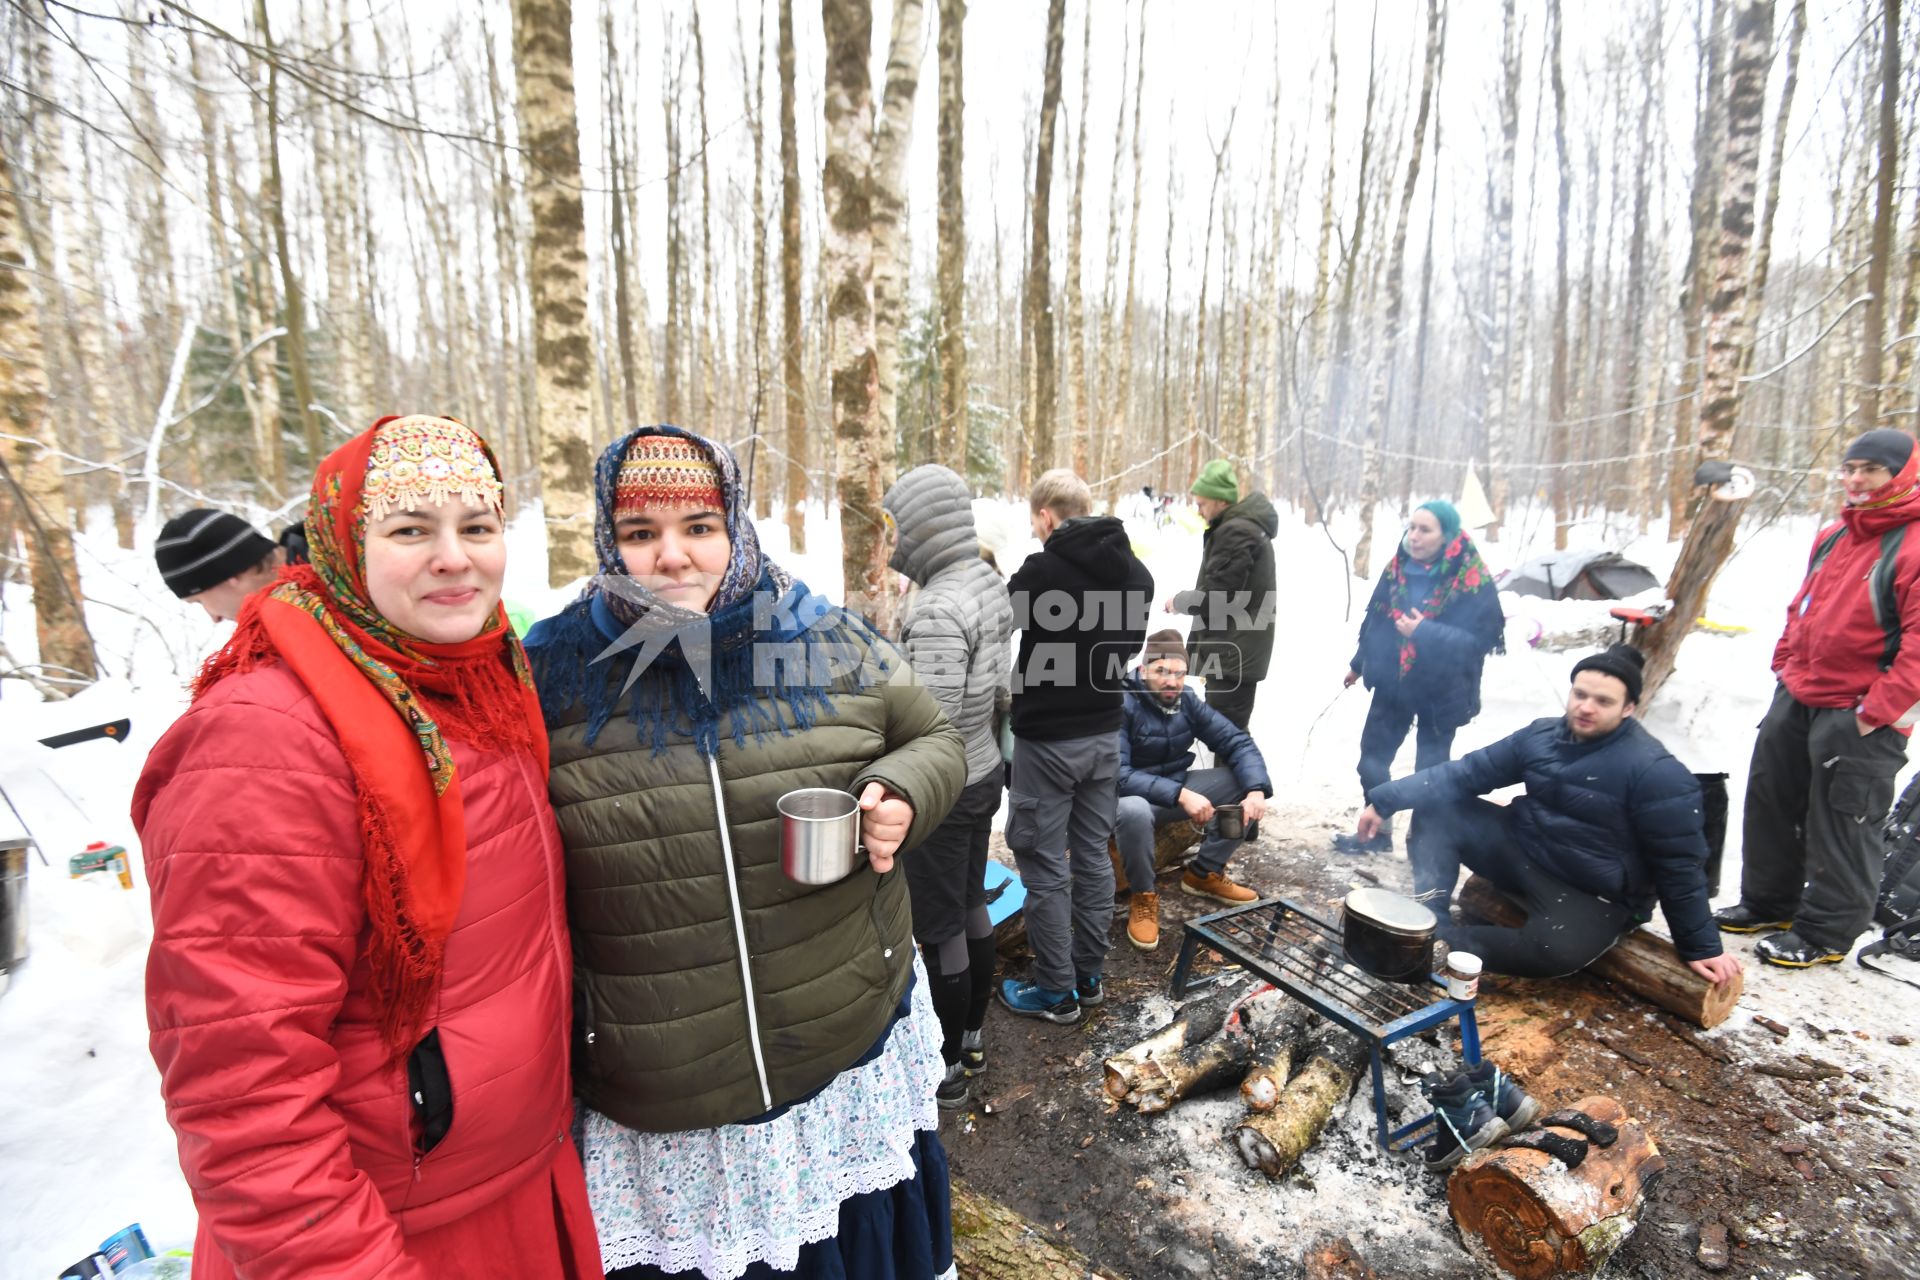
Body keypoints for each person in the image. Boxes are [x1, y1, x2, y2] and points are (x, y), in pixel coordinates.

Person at [132, 415, 602, 1279]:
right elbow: (242, 1088)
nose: (454, 557)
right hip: (379, 1230)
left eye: (478, 526)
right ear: (345, 543)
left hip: (513, 1183)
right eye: (410, 530)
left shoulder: (482, 679)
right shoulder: (264, 742)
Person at [523, 426, 966, 1280]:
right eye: (640, 533)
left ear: (735, 526)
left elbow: (937, 736)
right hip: (666, 1099)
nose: (674, 556)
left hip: (840, 1052)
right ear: (607, 544)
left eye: (699, 525)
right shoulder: (554, 674)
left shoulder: (818, 636)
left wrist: (905, 792)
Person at [1355, 645, 1742, 986]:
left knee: (1551, 952)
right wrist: (1386, 799)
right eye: (1580, 694)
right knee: (1438, 809)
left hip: (1593, 890)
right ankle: (1430, 913)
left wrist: (1701, 945)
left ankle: (1444, 944)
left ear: (1628, 708)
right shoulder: (1541, 737)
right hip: (1527, 849)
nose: (1586, 707)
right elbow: (1466, 774)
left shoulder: (1656, 772)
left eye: (1603, 701)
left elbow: (1680, 866)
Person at [1718, 428, 1920, 968]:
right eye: (1850, 468)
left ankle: (1828, 932)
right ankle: (1769, 902)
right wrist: (1785, 663)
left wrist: (1874, 712)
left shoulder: (1914, 543)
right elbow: (1802, 605)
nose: (1856, 479)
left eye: (1871, 470)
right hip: (1800, 689)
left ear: (1901, 474)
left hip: (1860, 709)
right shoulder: (1834, 535)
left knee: (1844, 819)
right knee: (1772, 799)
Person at [881, 463, 1013, 1111]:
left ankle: (948, 1065)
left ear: (923, 528)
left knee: (940, 927)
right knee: (968, 903)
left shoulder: (937, 607)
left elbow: (929, 716)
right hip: (984, 769)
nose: (891, 541)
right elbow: (998, 690)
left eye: (896, 527)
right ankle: (974, 1036)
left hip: (946, 785)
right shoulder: (984, 580)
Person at [1002, 469, 1154, 1023]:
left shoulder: (1042, 569)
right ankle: (1088, 976)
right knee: (1091, 856)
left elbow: (998, 622)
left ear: (1046, 516)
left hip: (1047, 743)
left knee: (1042, 863)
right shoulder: (1138, 574)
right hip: (1104, 735)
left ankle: (1055, 990)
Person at [1334, 500, 1503, 855]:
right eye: (1411, 527)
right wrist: (1359, 663)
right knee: (1371, 760)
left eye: (1425, 530)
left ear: (1447, 535)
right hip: (1395, 683)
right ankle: (1376, 833)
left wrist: (1424, 632)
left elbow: (1480, 641)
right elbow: (1377, 620)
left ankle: (1423, 845)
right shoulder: (1398, 565)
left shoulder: (1469, 574)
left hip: (1442, 689)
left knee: (1432, 771)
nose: (1414, 536)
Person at [1114, 630, 1272, 951]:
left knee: (1239, 781)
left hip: (1171, 789)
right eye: (1161, 672)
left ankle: (1204, 872)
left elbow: (1235, 741)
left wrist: (1256, 789)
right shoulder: (1121, 702)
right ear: (1143, 670)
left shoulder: (1187, 700)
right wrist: (1181, 795)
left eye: (1179, 673)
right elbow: (1117, 774)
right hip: (1123, 799)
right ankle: (1143, 896)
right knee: (1133, 809)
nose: (1171, 681)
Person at [1164, 460, 1278, 731]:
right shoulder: (1242, 527)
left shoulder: (1236, 531)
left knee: (1228, 738)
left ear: (1220, 501)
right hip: (1235, 651)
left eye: (1202, 504)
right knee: (1229, 734)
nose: (1199, 511)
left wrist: (1179, 601)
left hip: (1233, 655)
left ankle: (1238, 775)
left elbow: (1218, 597)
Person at [155, 508, 284, 621]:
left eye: (199, 601)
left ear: (230, 575)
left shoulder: (297, 623)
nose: (215, 618)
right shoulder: (291, 612)